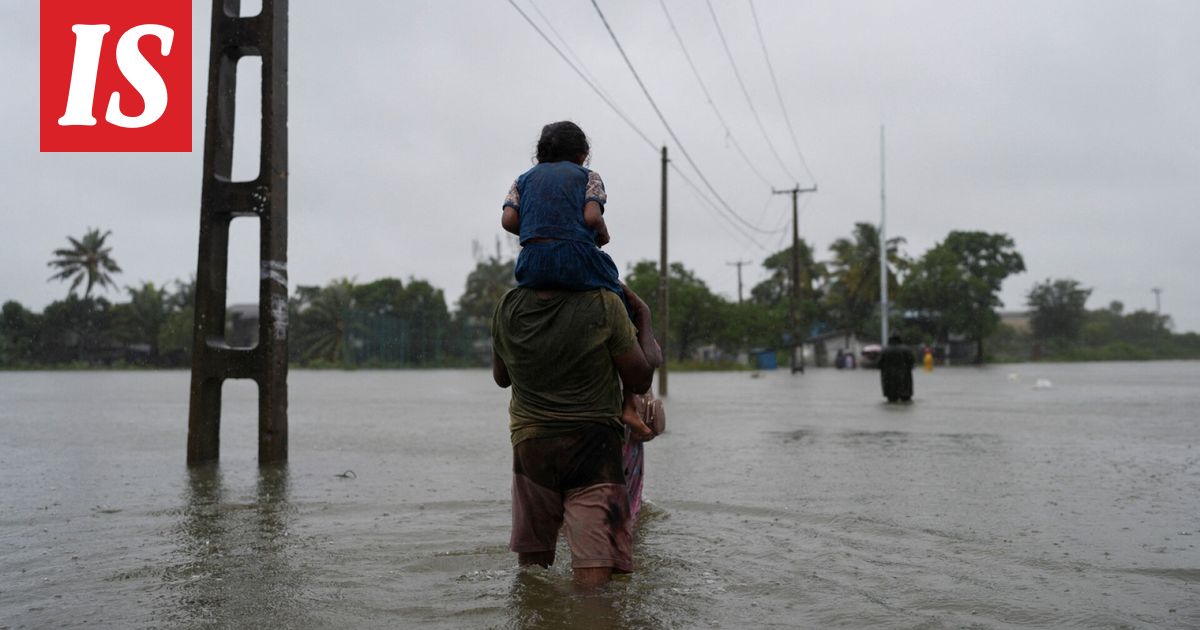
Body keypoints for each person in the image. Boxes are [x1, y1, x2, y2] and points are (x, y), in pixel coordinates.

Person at [491, 283, 662, 587]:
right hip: (595, 444)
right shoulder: (606, 307)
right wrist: (644, 316)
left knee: (533, 571)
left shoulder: (511, 305)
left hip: (531, 442)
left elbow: (501, 377)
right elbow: (642, 374)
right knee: (595, 579)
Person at [500, 121, 648, 438]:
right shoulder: (588, 177)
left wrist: (535, 232)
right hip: (577, 260)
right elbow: (592, 218)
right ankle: (630, 405)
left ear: (542, 154)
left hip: (532, 265)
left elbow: (509, 219)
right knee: (622, 306)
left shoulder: (522, 180)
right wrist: (602, 235)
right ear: (583, 155)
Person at [878, 335, 916, 402]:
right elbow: (912, 362)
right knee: (906, 401)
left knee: (891, 400)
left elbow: (878, 364)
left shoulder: (885, 350)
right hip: (905, 379)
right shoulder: (906, 349)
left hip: (889, 380)